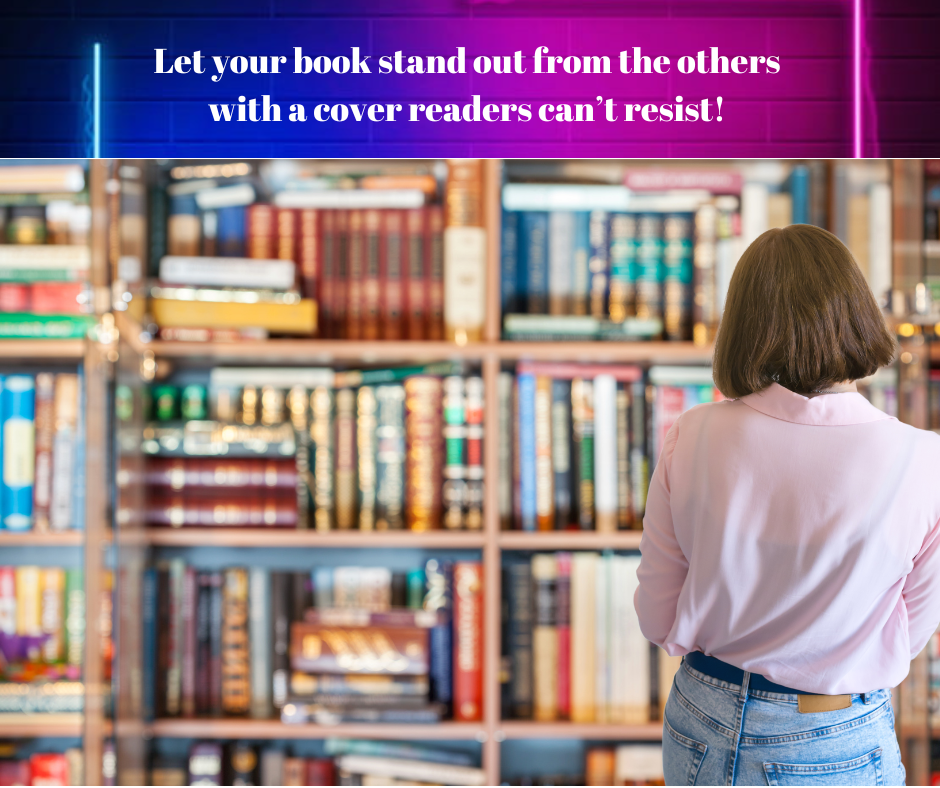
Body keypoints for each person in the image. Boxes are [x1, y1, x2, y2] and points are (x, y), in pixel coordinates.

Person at [634, 224, 940, 786]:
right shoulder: (925, 461)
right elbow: (908, 632)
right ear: (857, 313)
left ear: (743, 326)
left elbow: (657, 615)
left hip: (700, 714)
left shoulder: (691, 434)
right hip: (830, 731)